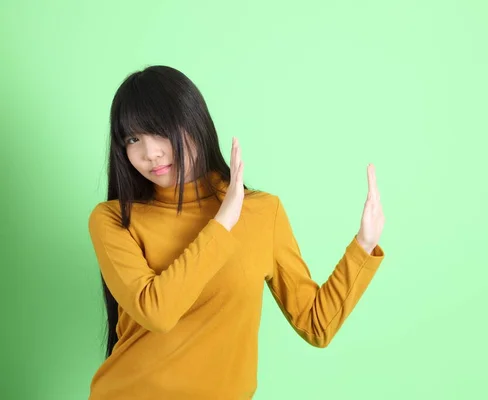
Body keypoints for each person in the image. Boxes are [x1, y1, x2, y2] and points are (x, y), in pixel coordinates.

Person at [87, 65, 386, 399]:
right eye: (132, 139)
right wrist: (222, 223)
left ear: (194, 124)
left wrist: (364, 246)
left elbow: (317, 324)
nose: (149, 153)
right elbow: (157, 312)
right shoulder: (114, 219)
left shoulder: (261, 212)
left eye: (160, 131)